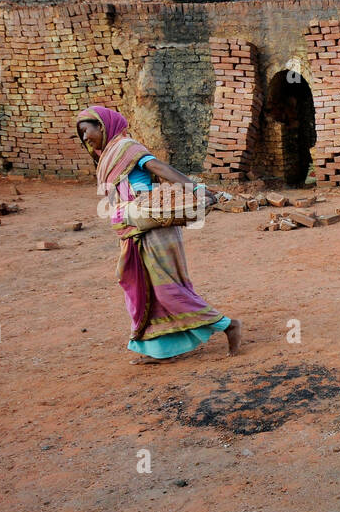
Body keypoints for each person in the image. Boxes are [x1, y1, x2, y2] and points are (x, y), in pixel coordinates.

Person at [75, 106, 242, 364]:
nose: (85, 138)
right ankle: (158, 350)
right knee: (144, 288)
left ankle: (227, 325)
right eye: (81, 135)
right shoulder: (108, 156)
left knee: (167, 290)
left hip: (154, 226)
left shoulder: (126, 147)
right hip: (135, 229)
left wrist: (194, 188)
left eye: (86, 131)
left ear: (103, 126)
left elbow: (159, 167)